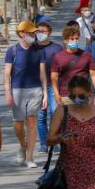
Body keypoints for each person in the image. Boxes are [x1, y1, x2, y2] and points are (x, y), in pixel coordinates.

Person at [4, 20, 48, 168]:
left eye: (33, 33)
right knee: (18, 124)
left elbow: (43, 73)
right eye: (30, 33)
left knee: (31, 123)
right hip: (17, 90)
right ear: (22, 34)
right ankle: (23, 146)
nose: (33, 35)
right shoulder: (12, 51)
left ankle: (30, 157)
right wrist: (7, 93)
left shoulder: (39, 50)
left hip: (35, 90)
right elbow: (7, 74)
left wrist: (45, 94)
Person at [51, 26, 95, 107]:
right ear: (65, 40)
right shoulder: (58, 57)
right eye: (72, 39)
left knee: (83, 118)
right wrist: (56, 94)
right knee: (66, 118)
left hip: (83, 95)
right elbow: (54, 78)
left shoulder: (87, 55)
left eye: (77, 38)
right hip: (65, 95)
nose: (75, 41)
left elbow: (94, 74)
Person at [35, 22, 64, 153]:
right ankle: (43, 143)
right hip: (37, 86)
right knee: (41, 116)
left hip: (53, 86)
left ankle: (54, 140)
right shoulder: (32, 48)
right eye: (38, 31)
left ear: (49, 33)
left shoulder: (57, 48)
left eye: (44, 31)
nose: (41, 34)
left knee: (54, 113)